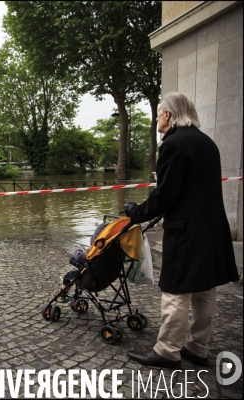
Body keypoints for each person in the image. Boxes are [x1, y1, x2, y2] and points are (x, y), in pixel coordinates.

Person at [124, 92, 238, 369]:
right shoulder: (207, 143)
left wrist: (135, 212)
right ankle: (198, 348)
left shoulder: (174, 144)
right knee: (204, 290)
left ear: (169, 115)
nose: (157, 119)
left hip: (187, 231)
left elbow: (166, 197)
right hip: (212, 229)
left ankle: (167, 351)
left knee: (176, 291)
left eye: (159, 113)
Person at [53, 221, 108, 302]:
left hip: (92, 281)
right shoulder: (111, 253)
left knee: (70, 275)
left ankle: (61, 295)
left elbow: (79, 256)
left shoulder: (94, 253)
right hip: (106, 279)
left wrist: (77, 250)